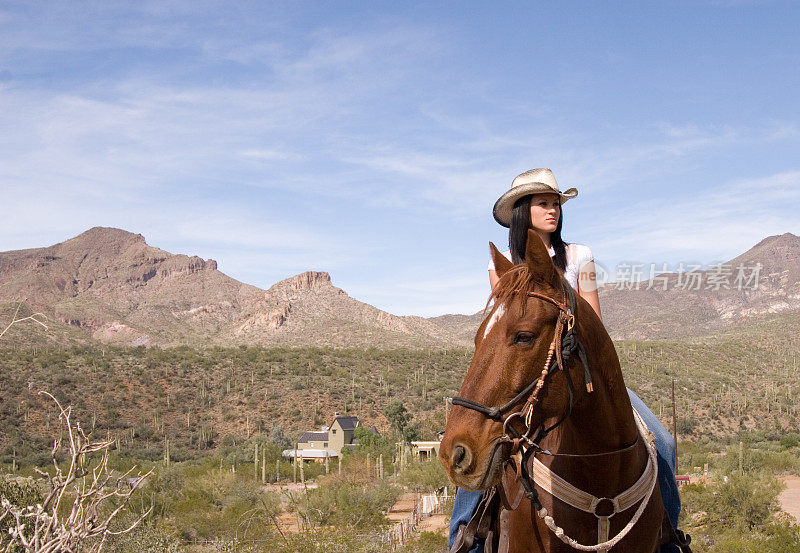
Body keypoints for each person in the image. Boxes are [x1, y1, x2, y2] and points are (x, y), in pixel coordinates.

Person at [449, 168, 681, 553]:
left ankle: (669, 534)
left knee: (664, 442)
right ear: (523, 210)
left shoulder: (579, 255)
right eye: (544, 203)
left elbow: (595, 321)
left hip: (581, 365)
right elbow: (509, 325)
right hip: (532, 372)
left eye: (556, 202)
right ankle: (464, 536)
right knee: (489, 446)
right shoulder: (503, 262)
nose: (553, 209)